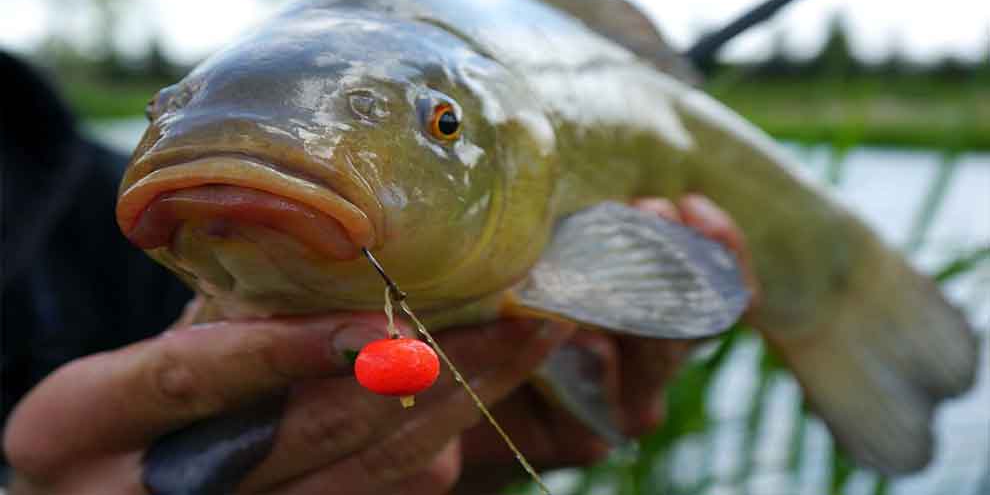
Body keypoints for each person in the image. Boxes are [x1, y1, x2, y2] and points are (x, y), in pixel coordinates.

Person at [0, 51, 757, 494]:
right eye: (158, 114)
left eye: (442, 126)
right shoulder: (146, 216)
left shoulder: (71, 189)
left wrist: (459, 461)